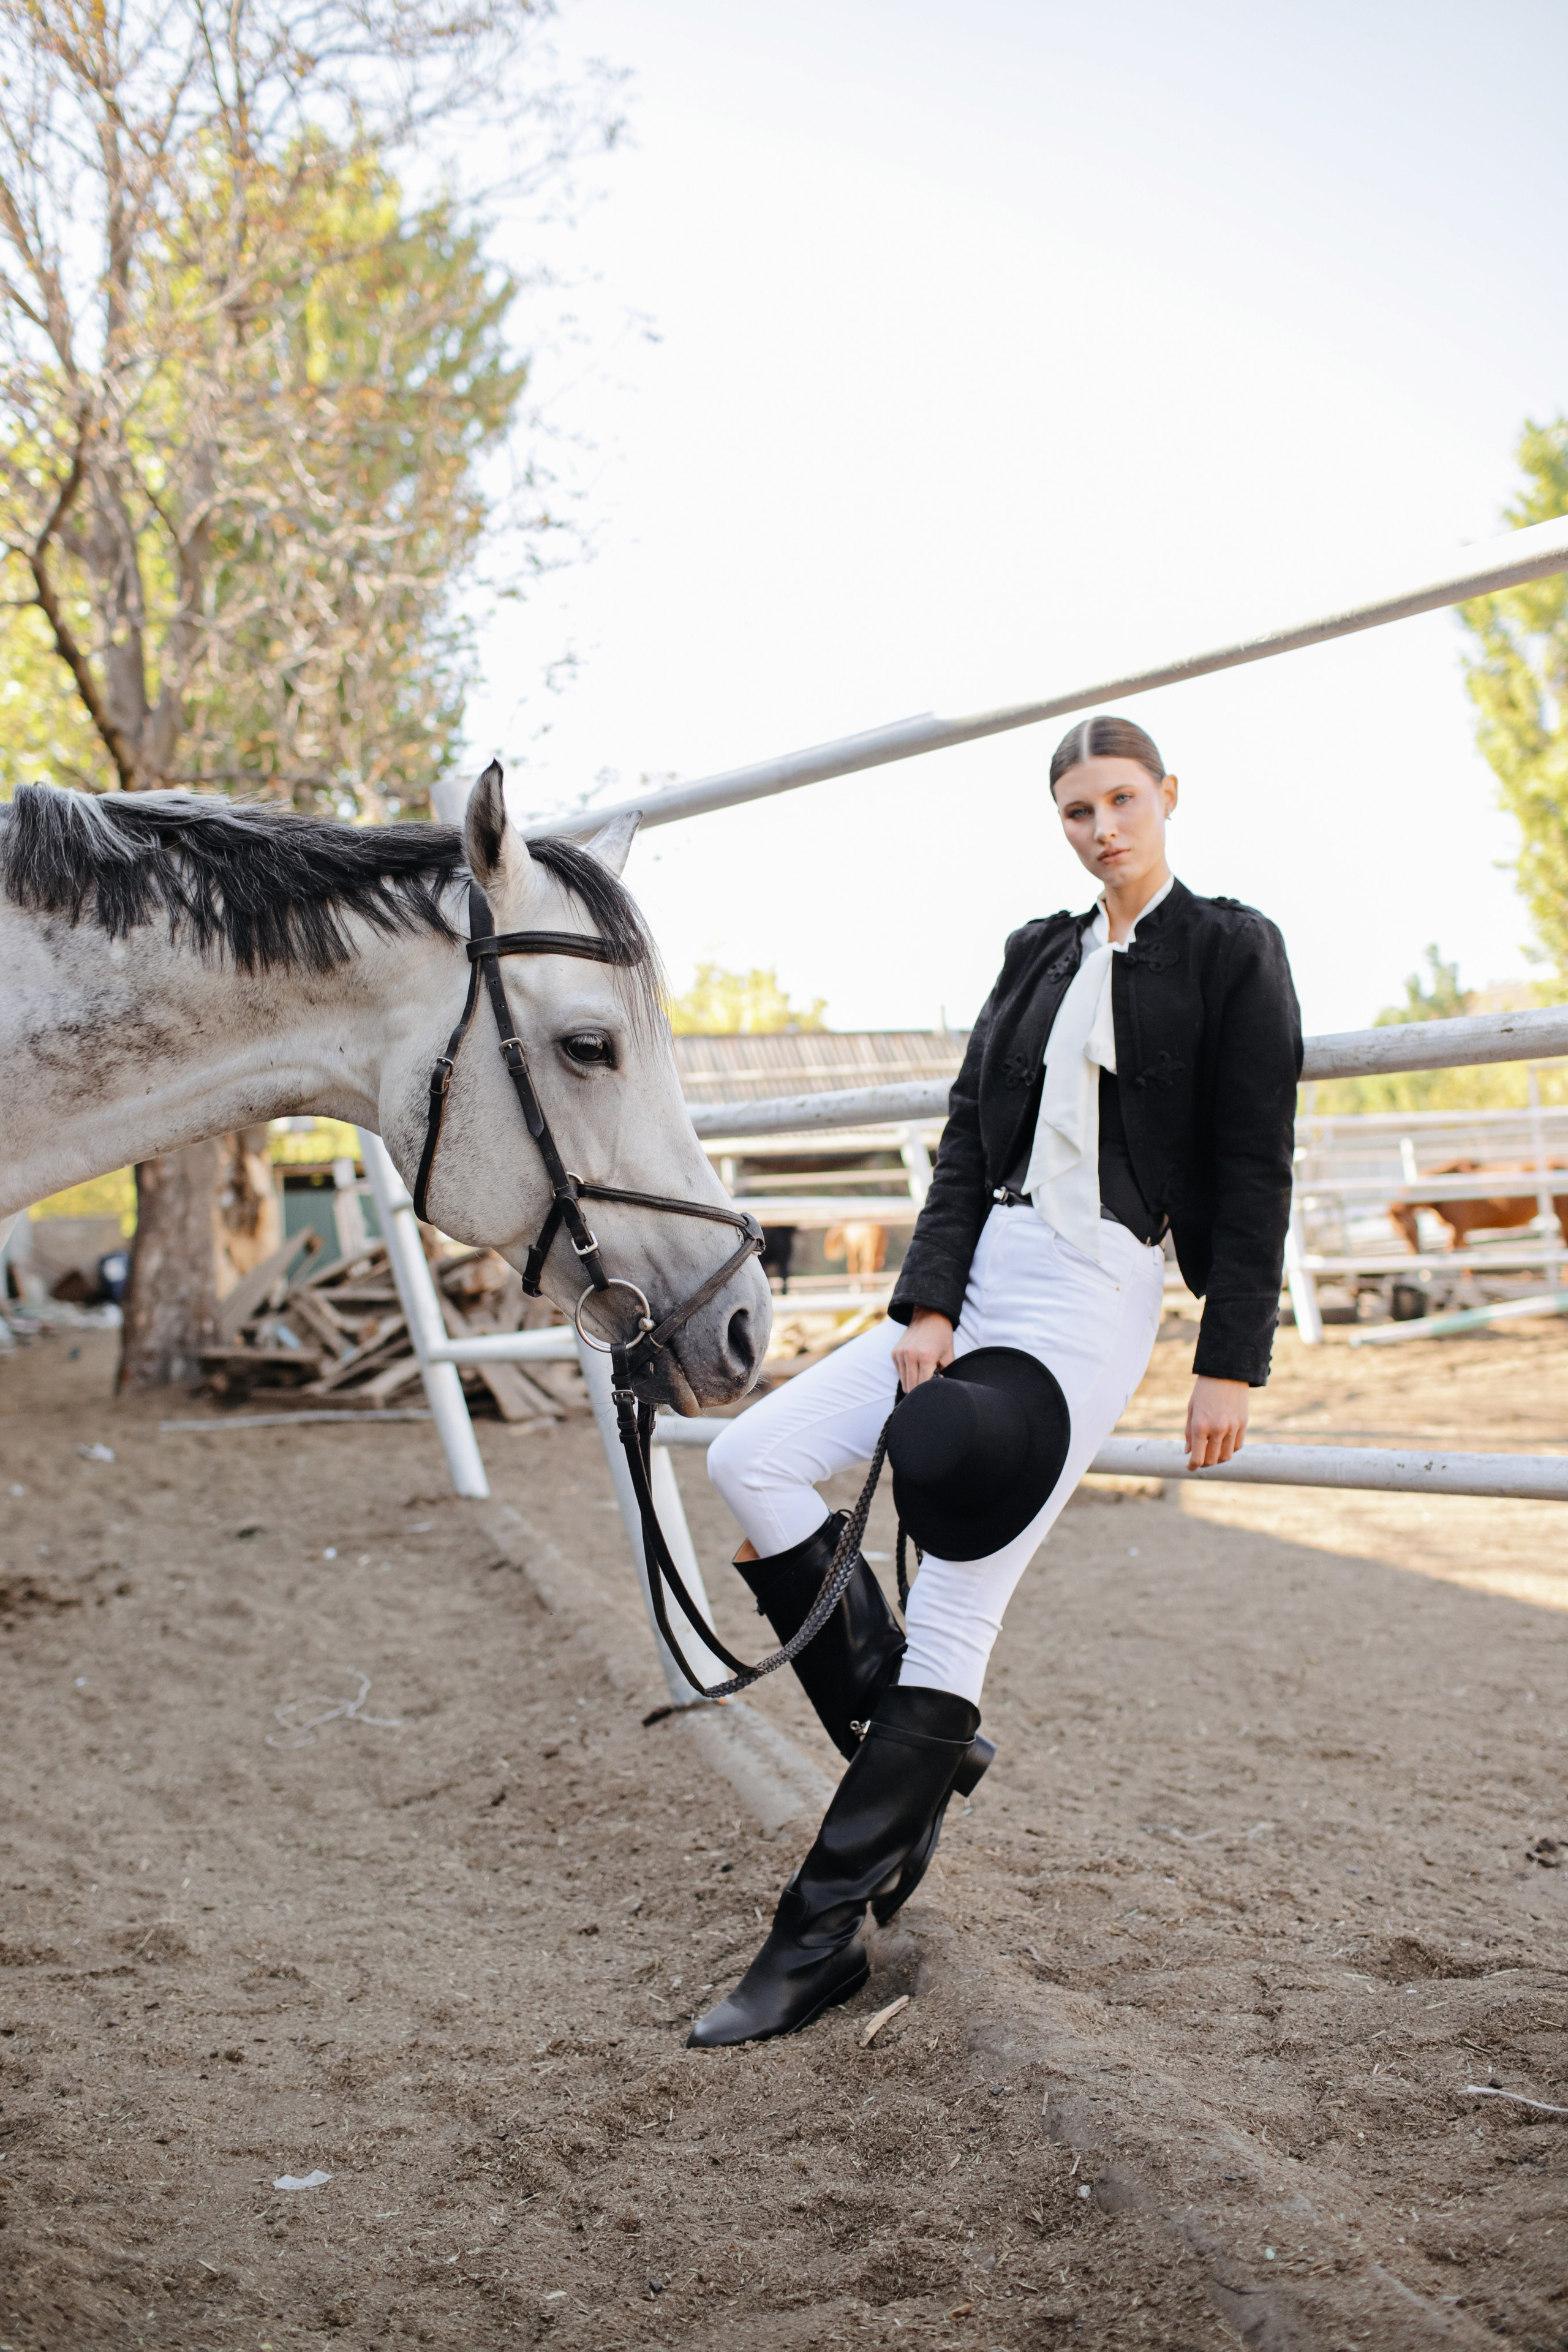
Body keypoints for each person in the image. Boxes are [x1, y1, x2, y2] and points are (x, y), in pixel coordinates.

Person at [688, 712, 1302, 2048]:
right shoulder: (1037, 952)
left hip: (1094, 1287)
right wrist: (927, 1305)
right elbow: (967, 1139)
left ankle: (815, 1940)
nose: (1102, 828)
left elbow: (1256, 1163)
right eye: (1078, 809)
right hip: (978, 1274)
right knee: (750, 1458)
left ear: (1167, 795)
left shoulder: (1230, 948)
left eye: (1121, 800)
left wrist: (1227, 1362)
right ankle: (917, 1750)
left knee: (960, 1593)